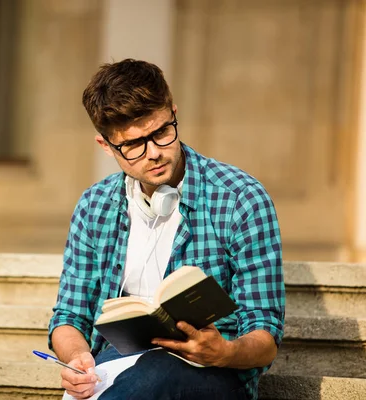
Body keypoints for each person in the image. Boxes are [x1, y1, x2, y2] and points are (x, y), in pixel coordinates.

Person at [47, 59, 285, 400]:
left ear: (173, 113)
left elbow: (265, 336)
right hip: (119, 365)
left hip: (214, 373)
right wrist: (76, 360)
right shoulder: (94, 205)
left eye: (161, 132)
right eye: (133, 145)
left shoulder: (241, 199)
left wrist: (223, 352)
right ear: (106, 145)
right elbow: (69, 317)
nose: (154, 153)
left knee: (154, 375)